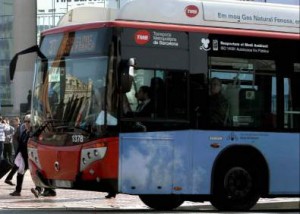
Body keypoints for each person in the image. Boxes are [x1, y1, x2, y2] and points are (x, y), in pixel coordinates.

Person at [9, 114, 31, 196]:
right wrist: (17, 154)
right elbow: (21, 144)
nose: (27, 123)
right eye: (25, 121)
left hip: (31, 157)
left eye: (29, 122)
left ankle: (47, 190)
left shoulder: (33, 133)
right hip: (23, 157)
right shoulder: (25, 132)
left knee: (38, 174)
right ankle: (18, 191)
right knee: (20, 173)